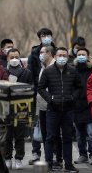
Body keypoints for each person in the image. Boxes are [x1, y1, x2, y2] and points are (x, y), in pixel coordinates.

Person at [38, 47, 81, 172]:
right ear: (55, 56)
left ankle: (68, 165)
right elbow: (40, 88)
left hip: (68, 110)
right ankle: (49, 164)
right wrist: (50, 99)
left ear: (67, 57)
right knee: (50, 137)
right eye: (60, 55)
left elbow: (79, 87)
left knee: (67, 137)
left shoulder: (73, 71)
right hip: (53, 109)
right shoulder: (48, 71)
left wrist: (73, 97)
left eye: (64, 55)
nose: (62, 57)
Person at [28, 28, 57, 165]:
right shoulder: (34, 53)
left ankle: (53, 154)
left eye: (48, 35)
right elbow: (32, 73)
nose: (46, 37)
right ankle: (35, 152)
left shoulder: (57, 51)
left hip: (53, 94)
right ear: (39, 37)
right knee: (37, 124)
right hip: (38, 93)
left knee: (52, 126)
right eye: (43, 35)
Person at [34, 45, 64, 169]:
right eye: (40, 52)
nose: (40, 55)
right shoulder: (43, 67)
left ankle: (58, 159)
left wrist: (51, 100)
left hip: (52, 105)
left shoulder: (55, 67)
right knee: (46, 134)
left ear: (50, 54)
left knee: (55, 134)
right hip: (42, 106)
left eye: (43, 52)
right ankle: (49, 159)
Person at [4, 48, 32, 169]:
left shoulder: (26, 73)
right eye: (12, 57)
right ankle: (7, 158)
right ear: (7, 58)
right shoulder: (4, 72)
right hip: (6, 108)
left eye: (16, 57)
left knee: (20, 135)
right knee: (7, 135)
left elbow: (31, 89)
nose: (14, 60)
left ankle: (19, 158)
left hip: (21, 107)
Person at [72, 48, 92, 165]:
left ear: (88, 56)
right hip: (76, 106)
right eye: (79, 54)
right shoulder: (73, 70)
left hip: (89, 106)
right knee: (79, 135)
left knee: (91, 133)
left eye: (83, 54)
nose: (81, 56)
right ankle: (83, 155)